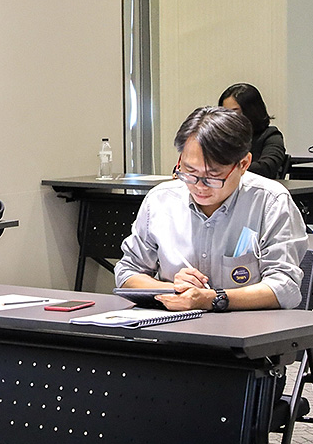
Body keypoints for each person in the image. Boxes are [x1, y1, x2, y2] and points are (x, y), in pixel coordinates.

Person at [115, 106, 306, 312]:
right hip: (174, 328)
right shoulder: (160, 200)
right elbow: (127, 272)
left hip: (249, 328)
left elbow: (285, 287)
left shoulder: (270, 202)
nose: (199, 186)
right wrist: (175, 290)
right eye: (189, 171)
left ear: (243, 164)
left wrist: (212, 299)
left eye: (213, 176)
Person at [219, 83, 287, 179]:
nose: (230, 118)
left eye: (235, 112)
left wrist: (228, 170)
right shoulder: (220, 137)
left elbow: (267, 167)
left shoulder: (270, 136)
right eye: (225, 113)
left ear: (251, 111)